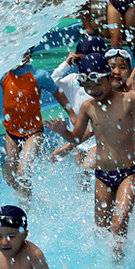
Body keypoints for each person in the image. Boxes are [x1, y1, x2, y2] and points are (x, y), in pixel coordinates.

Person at [46, 53, 135, 259]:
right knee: (102, 231)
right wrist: (63, 133)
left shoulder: (129, 99)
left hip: (129, 172)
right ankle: (112, 265)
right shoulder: (88, 107)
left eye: (97, 83)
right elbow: (77, 138)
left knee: (118, 226)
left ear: (108, 78)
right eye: (87, 86)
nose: (93, 90)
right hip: (103, 175)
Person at [0, 50, 75, 202]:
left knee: (23, 172)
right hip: (11, 134)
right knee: (11, 180)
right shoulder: (4, 75)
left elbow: (57, 92)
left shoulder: (39, 75)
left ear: (27, 56)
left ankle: (25, 213)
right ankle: (28, 198)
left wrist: (72, 114)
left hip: (33, 133)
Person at [49, 37, 107, 178]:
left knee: (86, 168)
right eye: (78, 61)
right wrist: (66, 64)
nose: (82, 65)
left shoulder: (103, 86)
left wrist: (68, 146)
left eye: (86, 61)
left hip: (100, 139)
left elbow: (98, 123)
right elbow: (52, 81)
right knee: (82, 180)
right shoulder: (72, 80)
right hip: (79, 142)